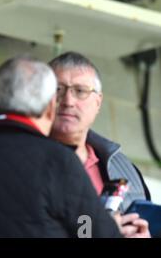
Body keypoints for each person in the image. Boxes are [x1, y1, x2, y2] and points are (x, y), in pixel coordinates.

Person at [0, 56, 122, 237]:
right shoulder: (59, 162)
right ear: (51, 107)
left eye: (80, 90)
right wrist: (112, 227)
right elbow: (90, 232)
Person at [49, 51, 151, 238]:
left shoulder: (123, 168)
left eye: (80, 91)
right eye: (58, 90)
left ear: (98, 102)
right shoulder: (17, 160)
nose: (68, 101)